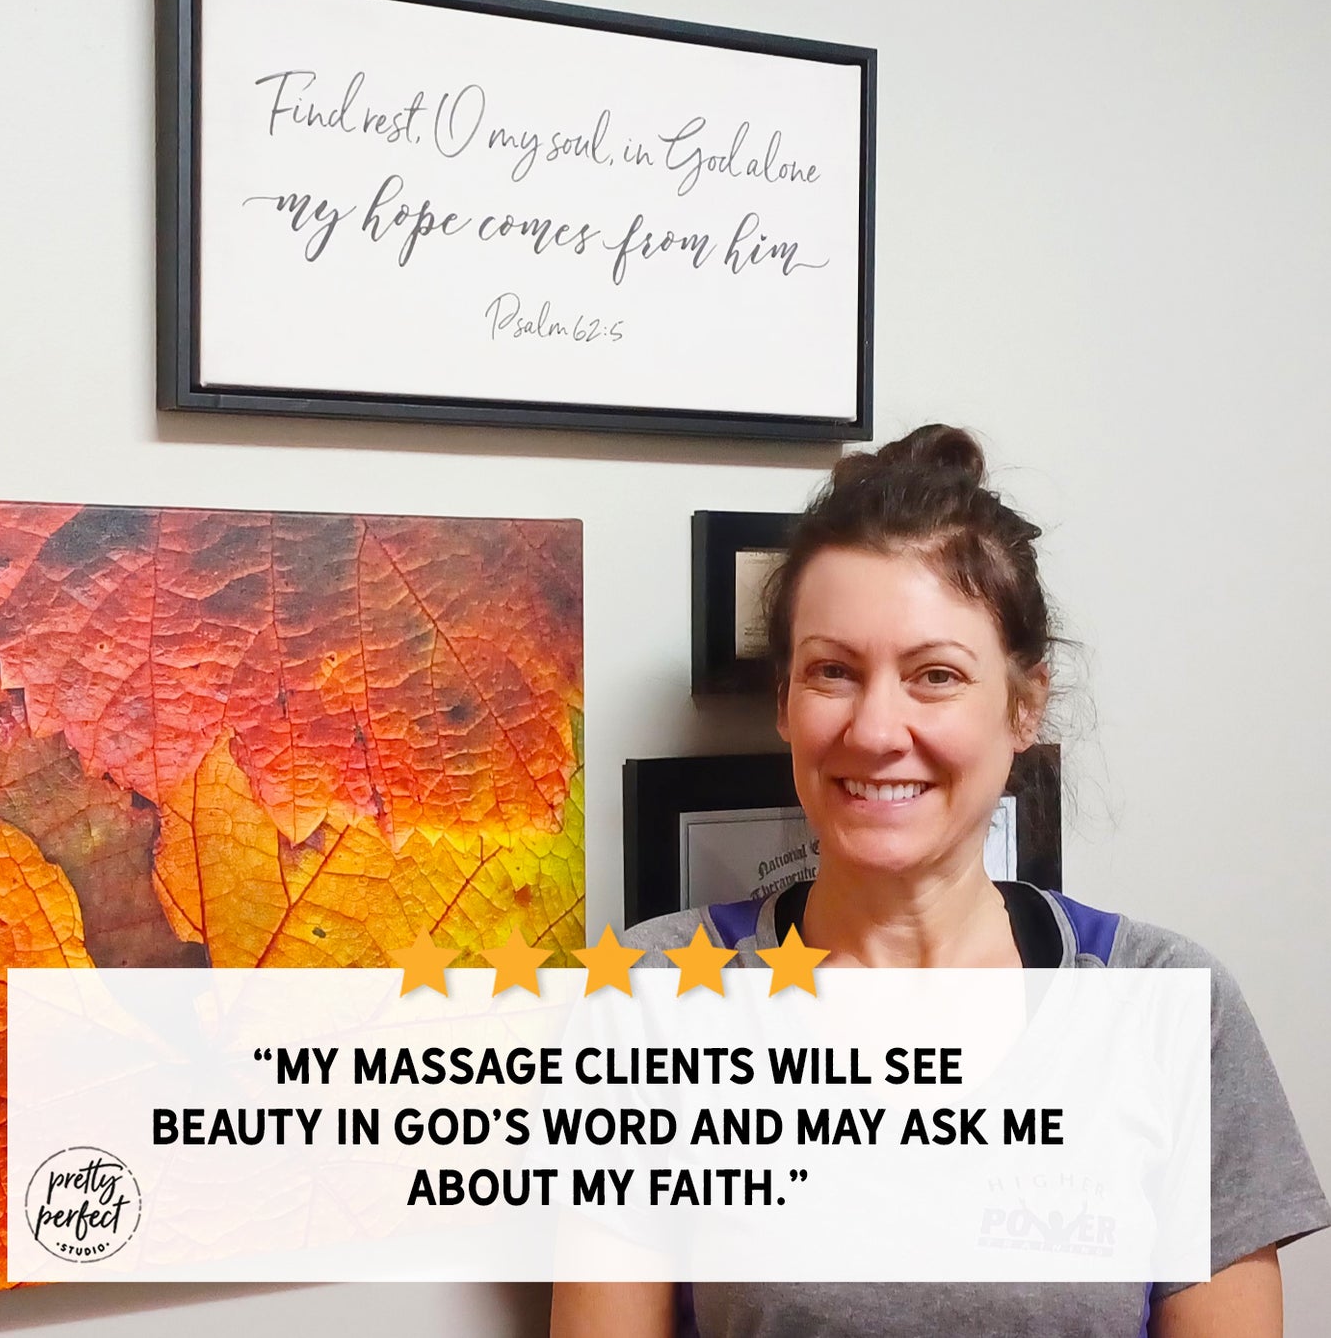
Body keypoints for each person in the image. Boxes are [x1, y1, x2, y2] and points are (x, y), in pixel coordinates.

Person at [552, 425, 1329, 1338]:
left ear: (1022, 704)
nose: (877, 729)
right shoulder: (652, 997)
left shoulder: (1168, 1003)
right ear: (784, 703)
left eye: (934, 676)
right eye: (833, 671)